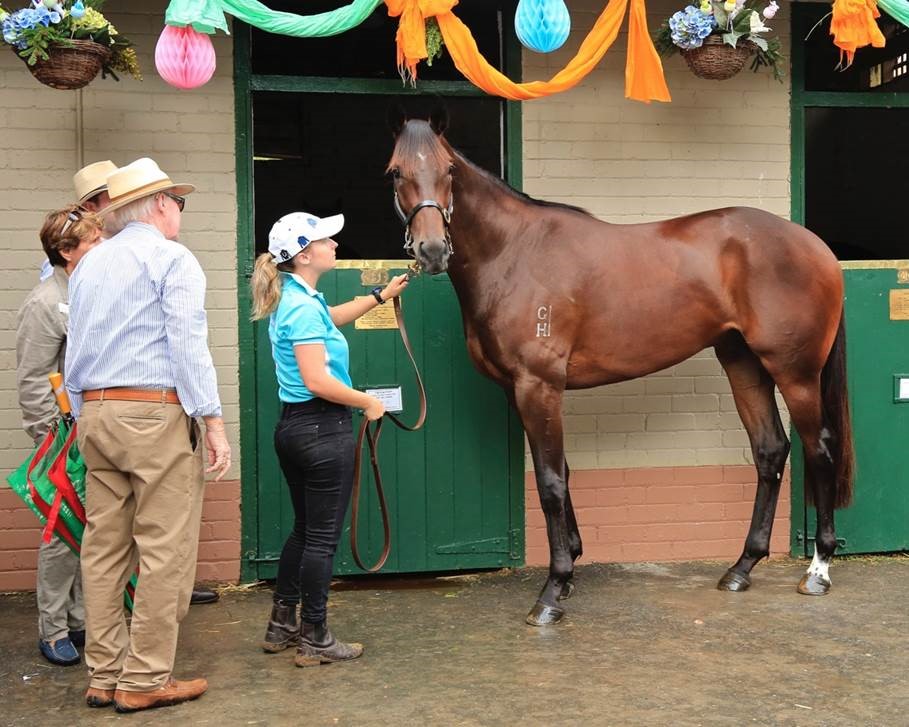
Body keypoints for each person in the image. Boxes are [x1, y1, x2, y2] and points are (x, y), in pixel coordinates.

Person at [64, 157, 231, 713]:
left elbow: (76, 348)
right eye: (177, 201)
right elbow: (188, 345)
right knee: (164, 549)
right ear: (159, 204)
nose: (179, 210)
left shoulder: (89, 264)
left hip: (96, 412)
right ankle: (145, 678)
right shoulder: (171, 258)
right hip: (154, 414)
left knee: (103, 549)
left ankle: (104, 673)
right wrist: (212, 420)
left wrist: (84, 411)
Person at [250, 211, 408, 668]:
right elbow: (317, 380)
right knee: (321, 540)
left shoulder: (298, 297)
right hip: (321, 429)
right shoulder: (300, 306)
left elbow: (330, 320)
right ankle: (315, 636)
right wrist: (367, 401)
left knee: (305, 530)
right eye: (325, 240)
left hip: (297, 428)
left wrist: (379, 296)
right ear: (304, 255)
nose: (335, 245)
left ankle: (281, 623)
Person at [16, 204, 104, 666]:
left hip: (96, 429)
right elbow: (33, 379)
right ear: (67, 251)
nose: (103, 247)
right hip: (63, 437)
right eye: (94, 241)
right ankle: (52, 629)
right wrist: (50, 440)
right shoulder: (46, 302)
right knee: (61, 531)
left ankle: (79, 618)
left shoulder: (90, 292)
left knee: (90, 529)